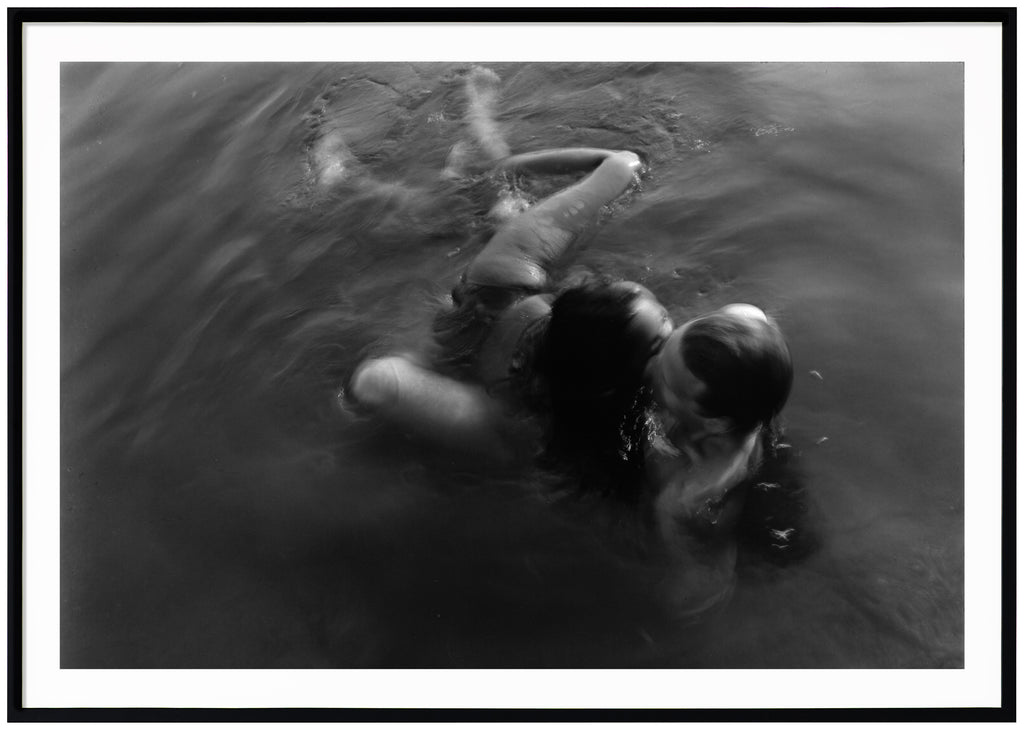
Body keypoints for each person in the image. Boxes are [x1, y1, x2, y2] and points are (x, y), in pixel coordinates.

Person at [346, 67, 793, 615]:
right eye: (659, 345)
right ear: (609, 383)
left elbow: (622, 165)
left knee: (497, 194)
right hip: (473, 331)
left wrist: (517, 166)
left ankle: (477, 115)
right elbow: (379, 381)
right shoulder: (518, 409)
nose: (674, 334)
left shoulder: (527, 266)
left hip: (513, 294)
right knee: (421, 217)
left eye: (664, 322)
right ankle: (347, 178)